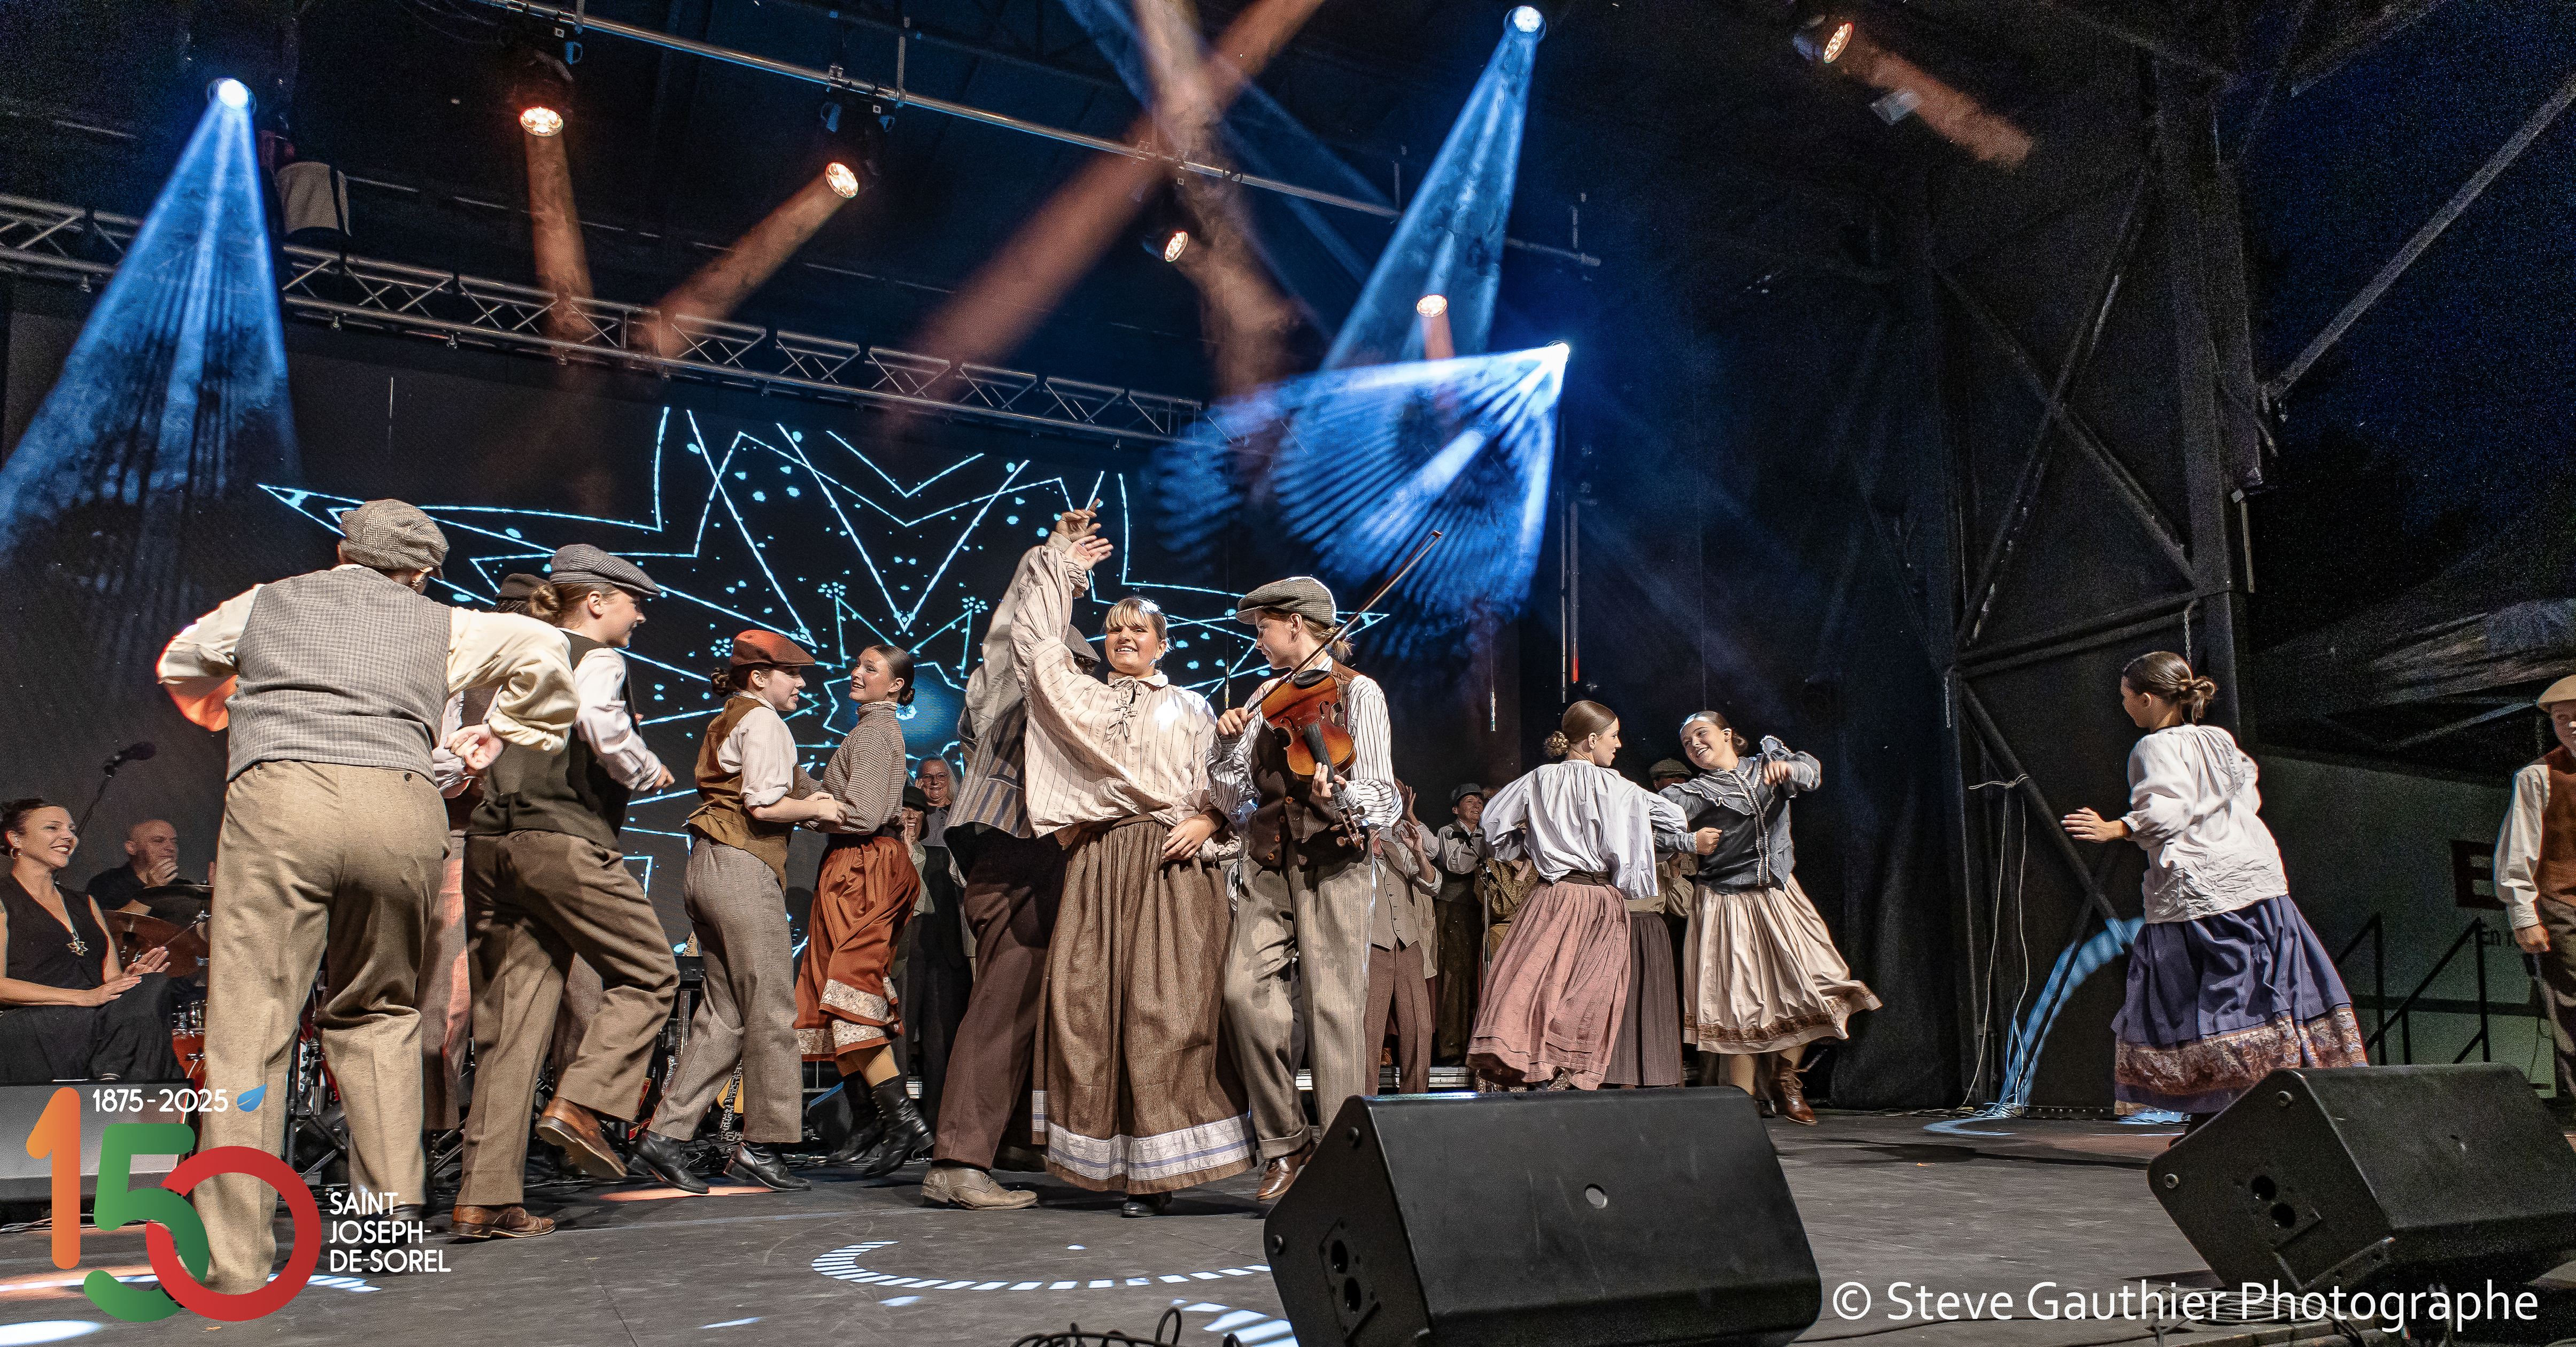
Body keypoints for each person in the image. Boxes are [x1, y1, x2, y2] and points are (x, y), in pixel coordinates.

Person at [157, 499, 578, 1293]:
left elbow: (183, 661)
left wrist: (237, 711)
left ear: (343, 551)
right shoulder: (445, 623)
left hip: (281, 799)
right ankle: (383, 1237)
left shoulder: (265, 602)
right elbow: (545, 645)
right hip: (399, 804)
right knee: (380, 1014)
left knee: (250, 1028)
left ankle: (236, 1264)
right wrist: (500, 731)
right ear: (420, 572)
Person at [1012, 526, 1252, 1214]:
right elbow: (1035, 647)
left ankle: (1160, 1173)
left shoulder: (1191, 707)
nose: (1123, 637)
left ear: (1161, 644)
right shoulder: (1083, 698)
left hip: (1170, 863)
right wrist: (1062, 568)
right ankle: (1110, 1165)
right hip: (1098, 862)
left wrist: (1210, 820)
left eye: (1138, 629)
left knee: (1164, 1012)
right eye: (1115, 628)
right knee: (1089, 1012)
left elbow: (1232, 791)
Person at [451, 546, 683, 1241]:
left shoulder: (511, 655)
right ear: (596, 601)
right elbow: (601, 724)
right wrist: (644, 768)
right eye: (634, 603)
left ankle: (484, 1199)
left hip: (490, 846)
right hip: (561, 841)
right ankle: (582, 1105)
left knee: (511, 1028)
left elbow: (466, 745)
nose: (641, 616)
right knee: (651, 972)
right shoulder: (595, 656)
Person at [2063, 652, 2364, 1125]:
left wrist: (2116, 828)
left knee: (2202, 1000)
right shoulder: (2218, 739)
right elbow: (2247, 792)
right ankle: (2254, 1112)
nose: (2123, 706)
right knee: (2261, 993)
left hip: (2202, 890)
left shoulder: (2152, 748)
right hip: (2256, 880)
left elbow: (2169, 809)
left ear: (2147, 699)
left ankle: (2221, 1119)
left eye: (2125, 697)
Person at [920, 513, 1102, 1212]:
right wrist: (1053, 557)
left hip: (1033, 856)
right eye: (1076, 666)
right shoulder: (1013, 686)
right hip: (1012, 851)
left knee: (1030, 999)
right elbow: (1010, 632)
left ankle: (1006, 1140)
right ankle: (959, 1159)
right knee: (1003, 1000)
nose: (1079, 680)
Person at [631, 631, 843, 1194]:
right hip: (742, 867)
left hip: (708, 867)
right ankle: (764, 1144)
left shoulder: (730, 716)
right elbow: (764, 805)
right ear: (759, 677)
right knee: (772, 1008)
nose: (801, 684)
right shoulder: (764, 721)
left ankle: (665, 1136)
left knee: (725, 1015)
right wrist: (818, 807)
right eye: (792, 673)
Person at [1212, 575, 1401, 1202]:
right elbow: (1234, 797)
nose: (1257, 641)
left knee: (1333, 1009)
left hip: (1334, 858)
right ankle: (1285, 1142)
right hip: (1268, 858)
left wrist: (1344, 793)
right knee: (1242, 993)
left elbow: (1384, 796)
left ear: (1296, 623)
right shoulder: (1263, 696)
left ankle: (1342, 1161)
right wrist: (1225, 749)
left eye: (1263, 628)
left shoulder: (1358, 693)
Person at [1661, 709, 1876, 1122]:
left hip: (1779, 893)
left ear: (1726, 734)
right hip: (1726, 901)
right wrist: (1689, 841)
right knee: (1737, 1003)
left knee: (1821, 980)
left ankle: (1785, 1077)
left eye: (1701, 735)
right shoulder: (1692, 793)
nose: (1695, 745)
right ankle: (1740, 1106)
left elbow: (1810, 774)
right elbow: (1650, 829)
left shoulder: (1766, 763)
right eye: (1687, 742)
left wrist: (1788, 767)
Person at [1468, 703, 1683, 1091]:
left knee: (1534, 982)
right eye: (1614, 736)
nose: (1618, 744)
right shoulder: (1619, 787)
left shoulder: (1539, 779)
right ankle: (1563, 1069)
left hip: (1554, 895)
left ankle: (1524, 1063)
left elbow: (1492, 824)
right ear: (1592, 739)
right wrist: (1634, 840)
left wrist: (1526, 846)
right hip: (1601, 900)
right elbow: (1674, 820)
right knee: (1587, 990)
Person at [795, 644, 929, 1178]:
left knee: (851, 994)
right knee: (836, 995)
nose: (856, 673)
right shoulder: (867, 731)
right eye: (858, 665)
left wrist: (801, 808)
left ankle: (903, 1122)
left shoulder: (875, 732)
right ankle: (871, 1119)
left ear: (895, 685)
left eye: (870, 669)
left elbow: (865, 814)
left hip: (864, 865)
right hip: (850, 864)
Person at [0, 800, 180, 1083]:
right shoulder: (4, 898)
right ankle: (120, 1082)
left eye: (71, 830)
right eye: (52, 828)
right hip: (37, 1020)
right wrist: (83, 998)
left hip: (95, 1018)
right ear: (16, 839)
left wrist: (129, 980)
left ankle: (113, 1079)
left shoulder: (86, 903)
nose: (68, 836)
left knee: (153, 984)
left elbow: (109, 979)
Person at [2497, 674, 2576, 1119]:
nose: (2570, 725)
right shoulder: (2538, 776)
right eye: (2561, 719)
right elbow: (2519, 849)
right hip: (2564, 905)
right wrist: (2523, 915)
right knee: (2572, 1007)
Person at [903, 755, 971, 1134]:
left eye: (940, 776)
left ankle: (938, 1125)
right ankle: (901, 1129)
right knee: (902, 1035)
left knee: (941, 1038)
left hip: (950, 941)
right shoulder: (908, 820)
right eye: (926, 777)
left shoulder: (962, 818)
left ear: (951, 780)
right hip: (912, 940)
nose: (933, 783)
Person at [1364, 785, 1440, 1096]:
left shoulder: (1398, 849)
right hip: (1373, 946)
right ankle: (1365, 1101)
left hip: (1409, 945)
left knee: (1419, 1027)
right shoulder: (1354, 852)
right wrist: (1364, 848)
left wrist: (1419, 852)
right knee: (1369, 1031)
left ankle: (1416, 1099)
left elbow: (1432, 885)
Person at [1431, 784, 1488, 1064]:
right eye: (1469, 801)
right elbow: (1458, 865)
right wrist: (1484, 845)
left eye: (1480, 801)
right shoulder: (1448, 832)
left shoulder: (1486, 833)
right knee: (1453, 975)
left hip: (1480, 909)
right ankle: (1451, 1047)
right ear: (1456, 809)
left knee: (1477, 975)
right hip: (1453, 907)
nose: (1477, 805)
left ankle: (1474, 1043)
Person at [86, 820, 204, 926]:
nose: (171, 848)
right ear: (132, 848)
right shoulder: (106, 882)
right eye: (158, 841)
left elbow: (201, 934)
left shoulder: (185, 888)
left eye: (174, 842)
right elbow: (107, 929)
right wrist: (152, 890)